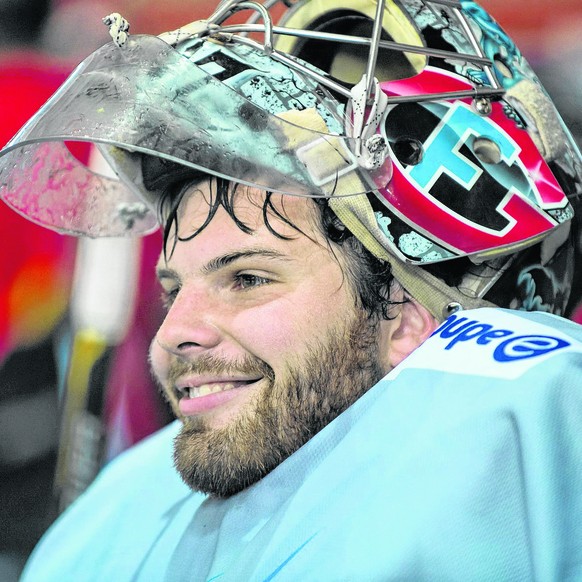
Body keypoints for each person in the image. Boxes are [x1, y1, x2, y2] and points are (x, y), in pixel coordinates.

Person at [1, 0, 581, 579]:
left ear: (410, 313)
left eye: (247, 278)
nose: (172, 336)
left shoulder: (523, 423)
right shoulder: (110, 517)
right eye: (172, 292)